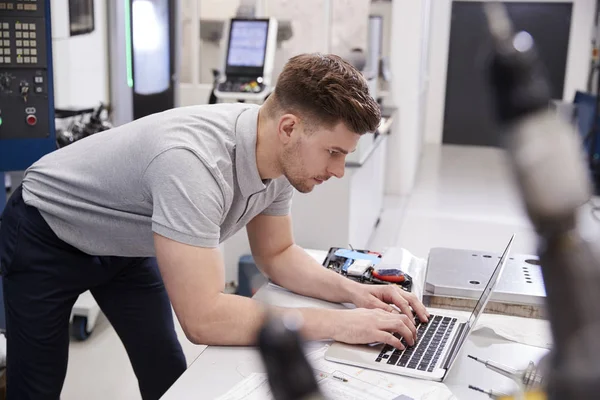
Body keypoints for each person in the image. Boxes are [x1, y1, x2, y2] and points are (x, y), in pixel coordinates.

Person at [0, 53, 429, 400]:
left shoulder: (278, 159)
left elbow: (277, 255)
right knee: (36, 386)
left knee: (166, 371)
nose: (338, 170)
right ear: (289, 127)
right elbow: (204, 318)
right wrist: (340, 325)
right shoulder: (194, 165)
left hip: (126, 242)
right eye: (333, 152)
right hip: (46, 230)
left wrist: (360, 294)